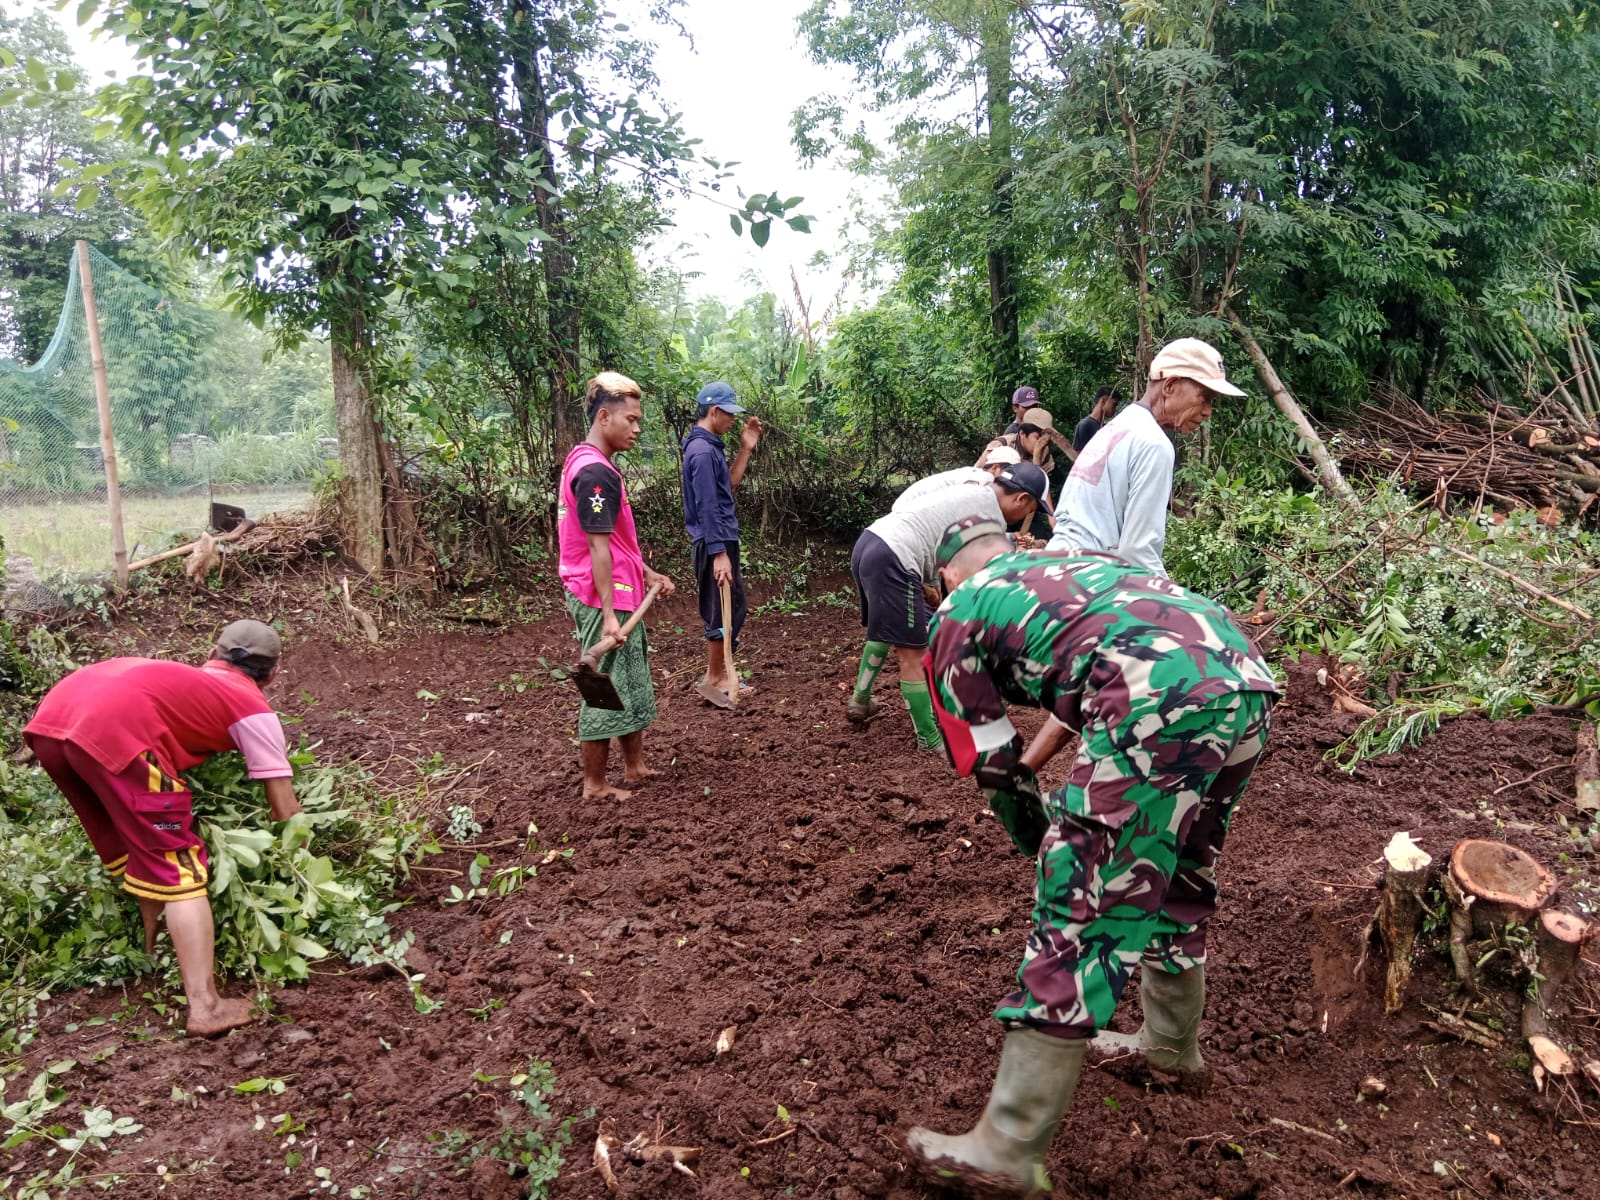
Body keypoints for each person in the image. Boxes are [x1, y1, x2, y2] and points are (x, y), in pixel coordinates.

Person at [903, 521, 1280, 1197]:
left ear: (945, 579)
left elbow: (990, 762)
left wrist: (1040, 842)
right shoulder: (1071, 570)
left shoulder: (956, 614)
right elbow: (1093, 671)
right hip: (1242, 679)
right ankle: (1170, 1048)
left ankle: (1008, 1144)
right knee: (1184, 868)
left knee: (1083, 899)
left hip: (1158, 696)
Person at [23, 619, 302, 1037]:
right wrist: (303, 852)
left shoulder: (181, 680)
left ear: (213, 655)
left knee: (138, 849)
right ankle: (206, 1007)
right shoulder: (253, 709)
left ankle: (151, 956)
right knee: (179, 865)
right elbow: (284, 808)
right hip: (115, 731)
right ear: (274, 673)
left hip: (52, 723)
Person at [844, 464, 1048, 748]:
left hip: (871, 542)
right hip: (896, 557)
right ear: (1022, 498)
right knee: (915, 652)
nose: (1027, 516)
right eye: (1032, 509)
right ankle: (928, 738)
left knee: (887, 629)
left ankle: (861, 700)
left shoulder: (974, 490)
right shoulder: (991, 520)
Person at [558, 371, 676, 801]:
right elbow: (596, 546)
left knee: (631, 678)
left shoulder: (590, 462)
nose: (637, 428)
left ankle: (635, 767)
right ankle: (594, 784)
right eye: (631, 419)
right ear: (604, 416)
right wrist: (608, 615)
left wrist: (647, 574)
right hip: (600, 596)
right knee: (603, 684)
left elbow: (617, 540)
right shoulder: (595, 473)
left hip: (622, 589)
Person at [1048, 337, 1243, 577]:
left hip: (1056, 567)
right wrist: (1173, 603)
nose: (1208, 411)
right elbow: (1137, 553)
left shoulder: (1116, 428)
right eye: (1206, 397)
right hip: (1086, 581)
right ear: (1170, 385)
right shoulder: (1153, 443)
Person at [681, 381, 761, 705]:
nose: (732, 421)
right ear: (714, 411)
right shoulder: (700, 452)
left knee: (733, 606)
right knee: (721, 609)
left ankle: (720, 673)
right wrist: (718, 553)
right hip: (714, 542)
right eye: (729, 415)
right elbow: (706, 506)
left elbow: (727, 486)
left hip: (721, 538)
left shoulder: (711, 446)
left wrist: (745, 448)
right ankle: (716, 677)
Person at [892, 446, 1020, 512]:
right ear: (996, 468)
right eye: (1007, 472)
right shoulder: (984, 479)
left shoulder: (973, 473)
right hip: (908, 510)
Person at [1072, 386, 1121, 452]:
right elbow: (1077, 455)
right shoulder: (1085, 425)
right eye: (1114, 404)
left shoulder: (1105, 427)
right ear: (1103, 401)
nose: (1115, 409)